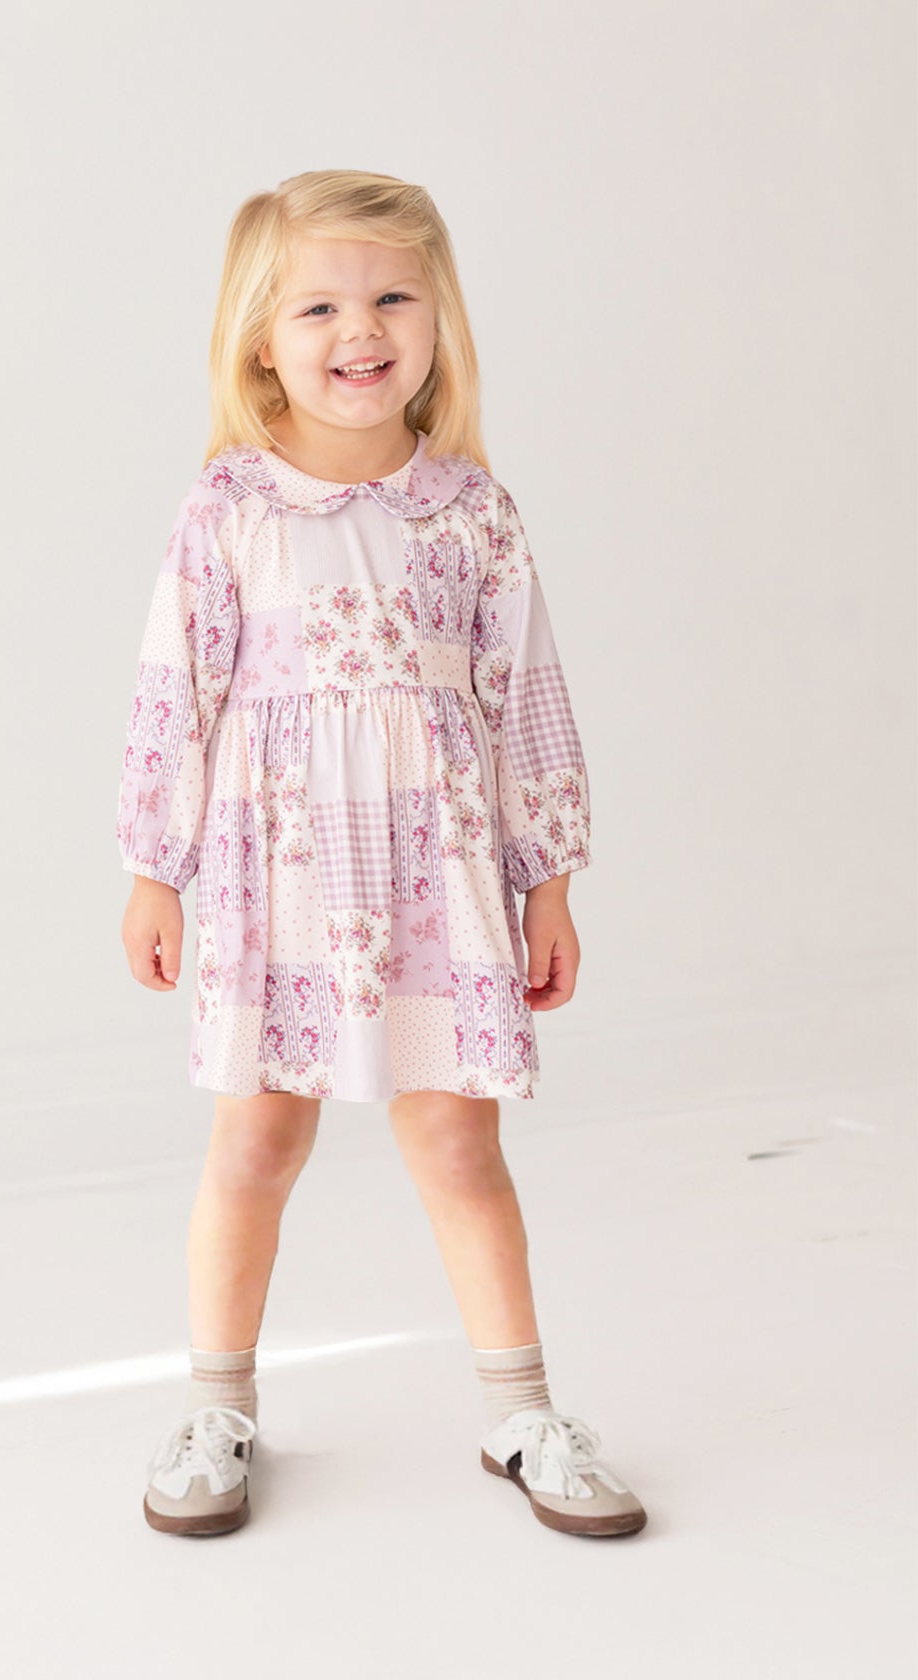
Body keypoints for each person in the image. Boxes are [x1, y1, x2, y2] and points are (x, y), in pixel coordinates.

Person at [117, 169, 646, 1540]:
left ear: (437, 319)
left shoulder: (467, 510)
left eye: (393, 297)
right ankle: (217, 1404)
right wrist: (152, 865)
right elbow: (172, 689)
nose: (362, 328)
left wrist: (552, 881)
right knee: (254, 1139)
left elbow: (529, 693)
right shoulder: (229, 507)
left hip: (436, 875)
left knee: (460, 1148)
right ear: (262, 339)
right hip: (275, 879)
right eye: (322, 304)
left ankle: (522, 1411)